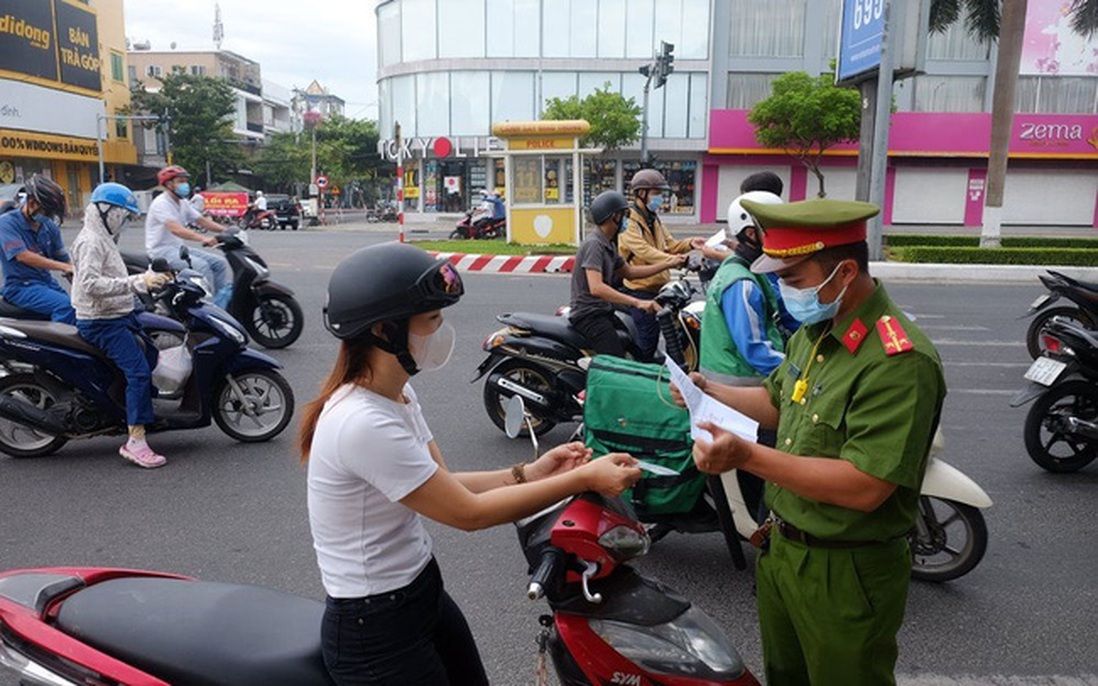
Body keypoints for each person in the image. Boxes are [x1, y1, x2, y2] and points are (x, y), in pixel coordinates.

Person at [300, 242, 642, 685]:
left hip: (420, 591)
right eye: (431, 321)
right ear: (385, 331)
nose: (442, 331)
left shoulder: (399, 395)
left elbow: (443, 484)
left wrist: (532, 472)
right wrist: (582, 477)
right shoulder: (361, 421)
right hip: (375, 628)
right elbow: (467, 514)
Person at [678, 198, 946, 686]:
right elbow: (778, 403)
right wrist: (707, 390)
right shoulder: (816, 331)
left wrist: (746, 456)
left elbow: (865, 486)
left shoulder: (898, 361)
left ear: (844, 272)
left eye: (793, 279)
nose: (782, 290)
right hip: (783, 551)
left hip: (847, 572)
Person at [71, 183, 173, 468]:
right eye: (123, 215)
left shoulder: (103, 236)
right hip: (101, 321)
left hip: (118, 313)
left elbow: (113, 271)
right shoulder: (91, 240)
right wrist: (137, 282)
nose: (125, 221)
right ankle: (136, 441)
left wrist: (149, 275)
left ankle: (139, 410)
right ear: (107, 211)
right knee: (139, 373)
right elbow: (90, 284)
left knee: (151, 354)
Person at [570, 191, 684, 357]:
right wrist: (637, 302)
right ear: (613, 216)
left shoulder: (609, 244)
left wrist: (667, 264)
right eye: (624, 215)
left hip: (602, 310)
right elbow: (597, 288)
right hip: (588, 315)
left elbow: (629, 272)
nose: (626, 220)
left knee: (633, 347)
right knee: (616, 360)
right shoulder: (594, 244)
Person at [617, 169, 710, 361]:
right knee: (648, 341)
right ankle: (641, 377)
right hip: (640, 291)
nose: (660, 198)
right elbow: (644, 251)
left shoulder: (654, 219)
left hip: (660, 289)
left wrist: (691, 243)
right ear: (641, 193)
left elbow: (671, 245)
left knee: (674, 336)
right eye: (656, 193)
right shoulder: (629, 221)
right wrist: (673, 261)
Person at [699, 191, 788, 388]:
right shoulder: (742, 284)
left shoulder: (743, 266)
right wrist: (798, 370)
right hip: (741, 387)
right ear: (750, 234)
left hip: (736, 384)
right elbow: (755, 350)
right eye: (773, 230)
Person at [145, 166, 233, 309]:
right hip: (161, 252)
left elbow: (201, 221)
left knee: (219, 263)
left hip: (178, 249)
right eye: (180, 181)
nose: (185, 185)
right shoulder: (161, 203)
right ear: (168, 184)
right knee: (202, 266)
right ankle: (207, 308)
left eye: (185, 181)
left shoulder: (183, 203)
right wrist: (203, 238)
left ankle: (221, 305)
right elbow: (176, 229)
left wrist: (227, 230)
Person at [0, 174, 76, 323]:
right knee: (66, 307)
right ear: (32, 202)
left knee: (78, 306)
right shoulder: (6, 223)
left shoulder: (50, 227)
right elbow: (23, 256)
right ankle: (56, 344)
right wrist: (65, 266)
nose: (49, 216)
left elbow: (65, 261)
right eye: (47, 211)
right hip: (21, 287)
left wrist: (81, 284)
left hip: (46, 283)